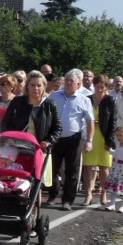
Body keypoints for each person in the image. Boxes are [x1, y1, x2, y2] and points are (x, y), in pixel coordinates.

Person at [0, 70, 61, 206]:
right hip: (16, 148)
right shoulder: (18, 101)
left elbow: (57, 128)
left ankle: (33, 215)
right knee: (13, 179)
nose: (36, 88)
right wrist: (8, 137)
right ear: (27, 86)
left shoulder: (49, 105)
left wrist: (49, 141)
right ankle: (10, 208)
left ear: (44, 87)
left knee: (35, 183)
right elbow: (5, 123)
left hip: (39, 149)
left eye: (39, 85)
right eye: (32, 85)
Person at [47, 69, 94, 211]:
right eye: (66, 80)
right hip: (55, 138)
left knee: (72, 170)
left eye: (71, 81)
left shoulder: (84, 100)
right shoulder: (54, 96)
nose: (68, 83)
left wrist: (89, 140)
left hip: (74, 138)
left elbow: (90, 121)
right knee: (53, 168)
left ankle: (67, 200)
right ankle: (52, 194)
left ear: (78, 84)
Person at [82, 75, 116, 205]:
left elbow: (113, 121)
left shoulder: (110, 100)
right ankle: (88, 194)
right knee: (88, 166)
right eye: (97, 86)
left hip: (103, 136)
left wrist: (109, 140)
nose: (100, 88)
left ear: (106, 87)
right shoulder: (87, 99)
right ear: (94, 86)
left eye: (103, 86)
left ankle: (104, 192)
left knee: (104, 167)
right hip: (89, 136)